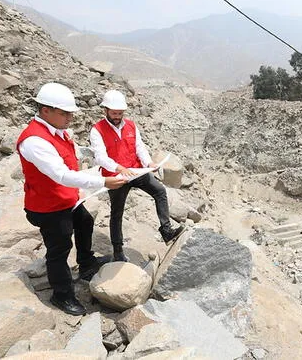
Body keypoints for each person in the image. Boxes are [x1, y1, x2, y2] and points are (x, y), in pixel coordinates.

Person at [17, 82, 127, 316]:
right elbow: (61, 175)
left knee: (85, 222)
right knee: (59, 248)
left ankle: (86, 263)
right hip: (47, 206)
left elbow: (70, 162)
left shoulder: (57, 132)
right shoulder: (35, 141)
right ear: (45, 110)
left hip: (65, 199)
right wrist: (103, 182)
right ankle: (62, 294)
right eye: (64, 113)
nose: (70, 118)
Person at [89, 90, 184, 262]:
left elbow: (139, 147)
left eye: (120, 113)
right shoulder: (97, 130)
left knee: (159, 191)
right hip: (116, 176)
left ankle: (167, 231)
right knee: (117, 212)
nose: (117, 116)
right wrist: (119, 168)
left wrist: (149, 164)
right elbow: (100, 157)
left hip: (136, 171)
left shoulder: (131, 126)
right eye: (114, 113)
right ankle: (118, 251)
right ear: (106, 110)